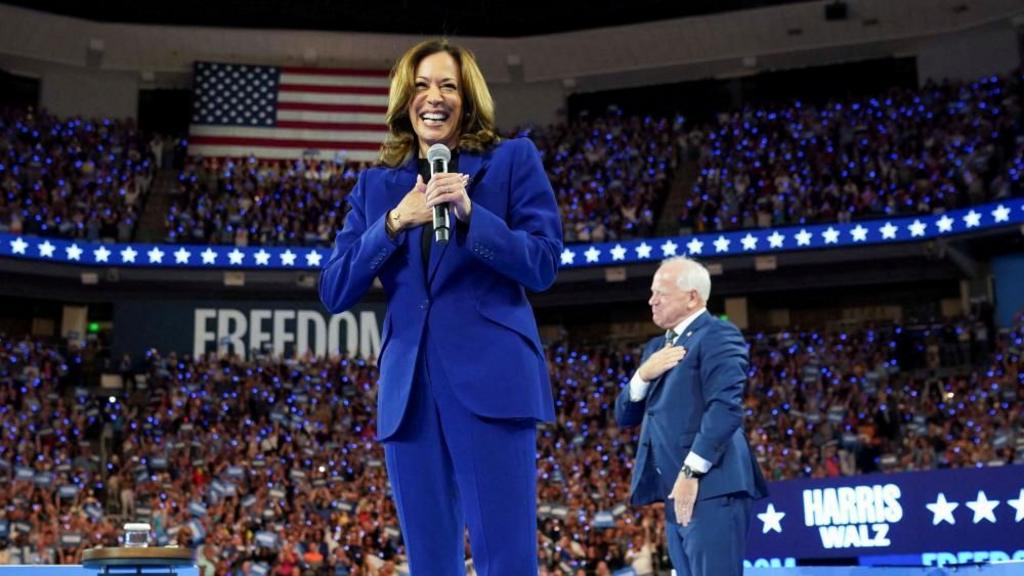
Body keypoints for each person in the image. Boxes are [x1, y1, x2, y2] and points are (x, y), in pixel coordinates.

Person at [319, 38, 562, 574]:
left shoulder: (511, 160)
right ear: (406, 100)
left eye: (448, 85)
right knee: (430, 562)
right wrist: (392, 224)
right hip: (408, 392)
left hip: (492, 380)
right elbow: (334, 289)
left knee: (506, 557)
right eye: (422, 85)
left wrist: (472, 214)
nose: (435, 96)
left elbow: (543, 264)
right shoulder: (376, 186)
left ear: (467, 97)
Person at [615, 256, 767, 576]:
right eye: (651, 292)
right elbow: (624, 416)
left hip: (711, 485)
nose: (651, 300)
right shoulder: (655, 348)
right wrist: (642, 375)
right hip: (676, 494)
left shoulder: (718, 334)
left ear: (692, 297)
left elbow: (725, 409)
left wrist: (690, 472)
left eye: (661, 293)